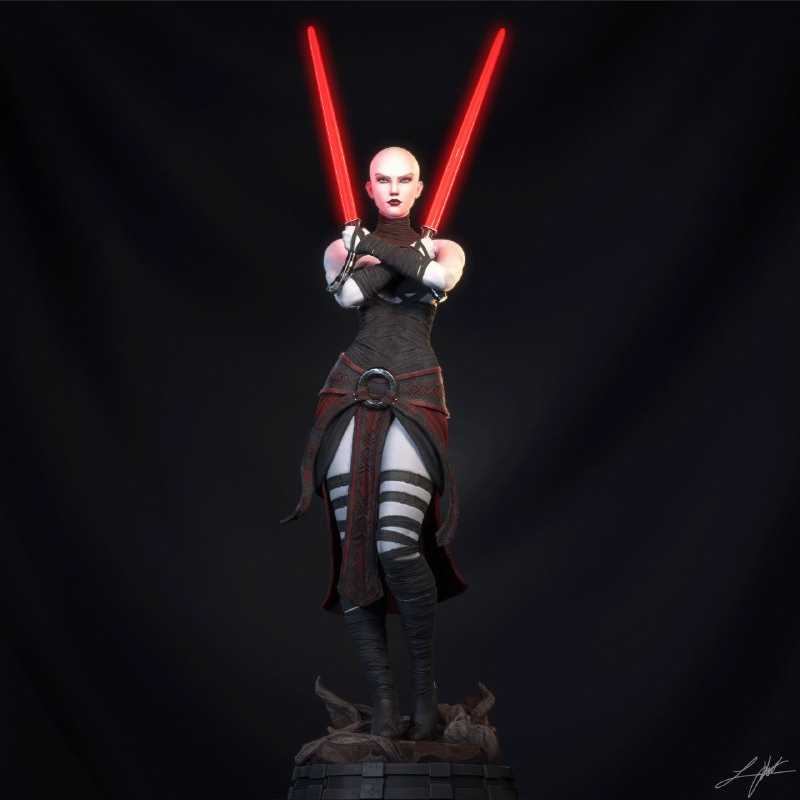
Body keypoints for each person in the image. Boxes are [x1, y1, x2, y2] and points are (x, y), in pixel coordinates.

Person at [281, 146, 468, 740]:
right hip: (349, 390)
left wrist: (375, 246)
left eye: (404, 179)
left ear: (420, 187)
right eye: (382, 179)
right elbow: (350, 297)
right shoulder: (340, 249)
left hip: (417, 390)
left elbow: (438, 279)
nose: (393, 188)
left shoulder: (443, 248)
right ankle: (385, 702)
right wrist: (390, 252)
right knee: (356, 548)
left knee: (396, 545)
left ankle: (424, 690)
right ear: (368, 186)